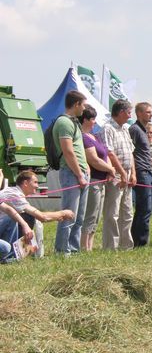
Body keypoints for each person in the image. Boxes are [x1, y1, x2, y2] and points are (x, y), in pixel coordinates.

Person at [0, 170, 74, 256]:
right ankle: (12, 254)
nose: (37, 186)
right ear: (25, 183)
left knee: (25, 217)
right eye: (35, 182)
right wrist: (63, 213)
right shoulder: (16, 195)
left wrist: (57, 216)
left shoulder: (13, 191)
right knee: (28, 217)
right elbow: (42, 216)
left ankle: (15, 253)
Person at [53, 90, 90, 255]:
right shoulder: (64, 123)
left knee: (79, 216)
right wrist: (80, 175)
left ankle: (73, 249)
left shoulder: (74, 122)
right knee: (69, 214)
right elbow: (68, 151)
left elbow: (78, 149)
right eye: (83, 104)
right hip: (71, 173)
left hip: (80, 173)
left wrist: (86, 168)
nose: (84, 108)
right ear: (76, 104)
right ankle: (62, 251)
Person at [101, 99, 136, 251]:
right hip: (115, 175)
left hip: (127, 174)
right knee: (113, 213)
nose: (130, 116)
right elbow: (110, 152)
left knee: (127, 212)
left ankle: (126, 245)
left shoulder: (126, 129)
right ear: (121, 112)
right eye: (129, 113)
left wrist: (132, 173)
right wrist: (122, 173)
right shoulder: (107, 128)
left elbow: (131, 152)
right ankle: (111, 247)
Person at [79, 105, 115, 251]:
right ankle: (83, 247)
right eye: (93, 119)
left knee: (97, 216)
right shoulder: (83, 137)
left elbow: (105, 155)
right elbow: (94, 160)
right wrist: (111, 169)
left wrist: (109, 171)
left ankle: (90, 246)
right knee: (90, 215)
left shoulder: (94, 136)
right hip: (93, 180)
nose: (95, 122)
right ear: (85, 120)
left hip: (102, 181)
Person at [129, 102, 152, 246]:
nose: (151, 114)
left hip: (148, 171)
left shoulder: (144, 130)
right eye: (148, 112)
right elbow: (130, 152)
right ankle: (140, 242)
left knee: (144, 208)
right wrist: (134, 172)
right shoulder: (135, 129)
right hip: (141, 172)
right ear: (139, 113)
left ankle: (138, 239)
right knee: (145, 208)